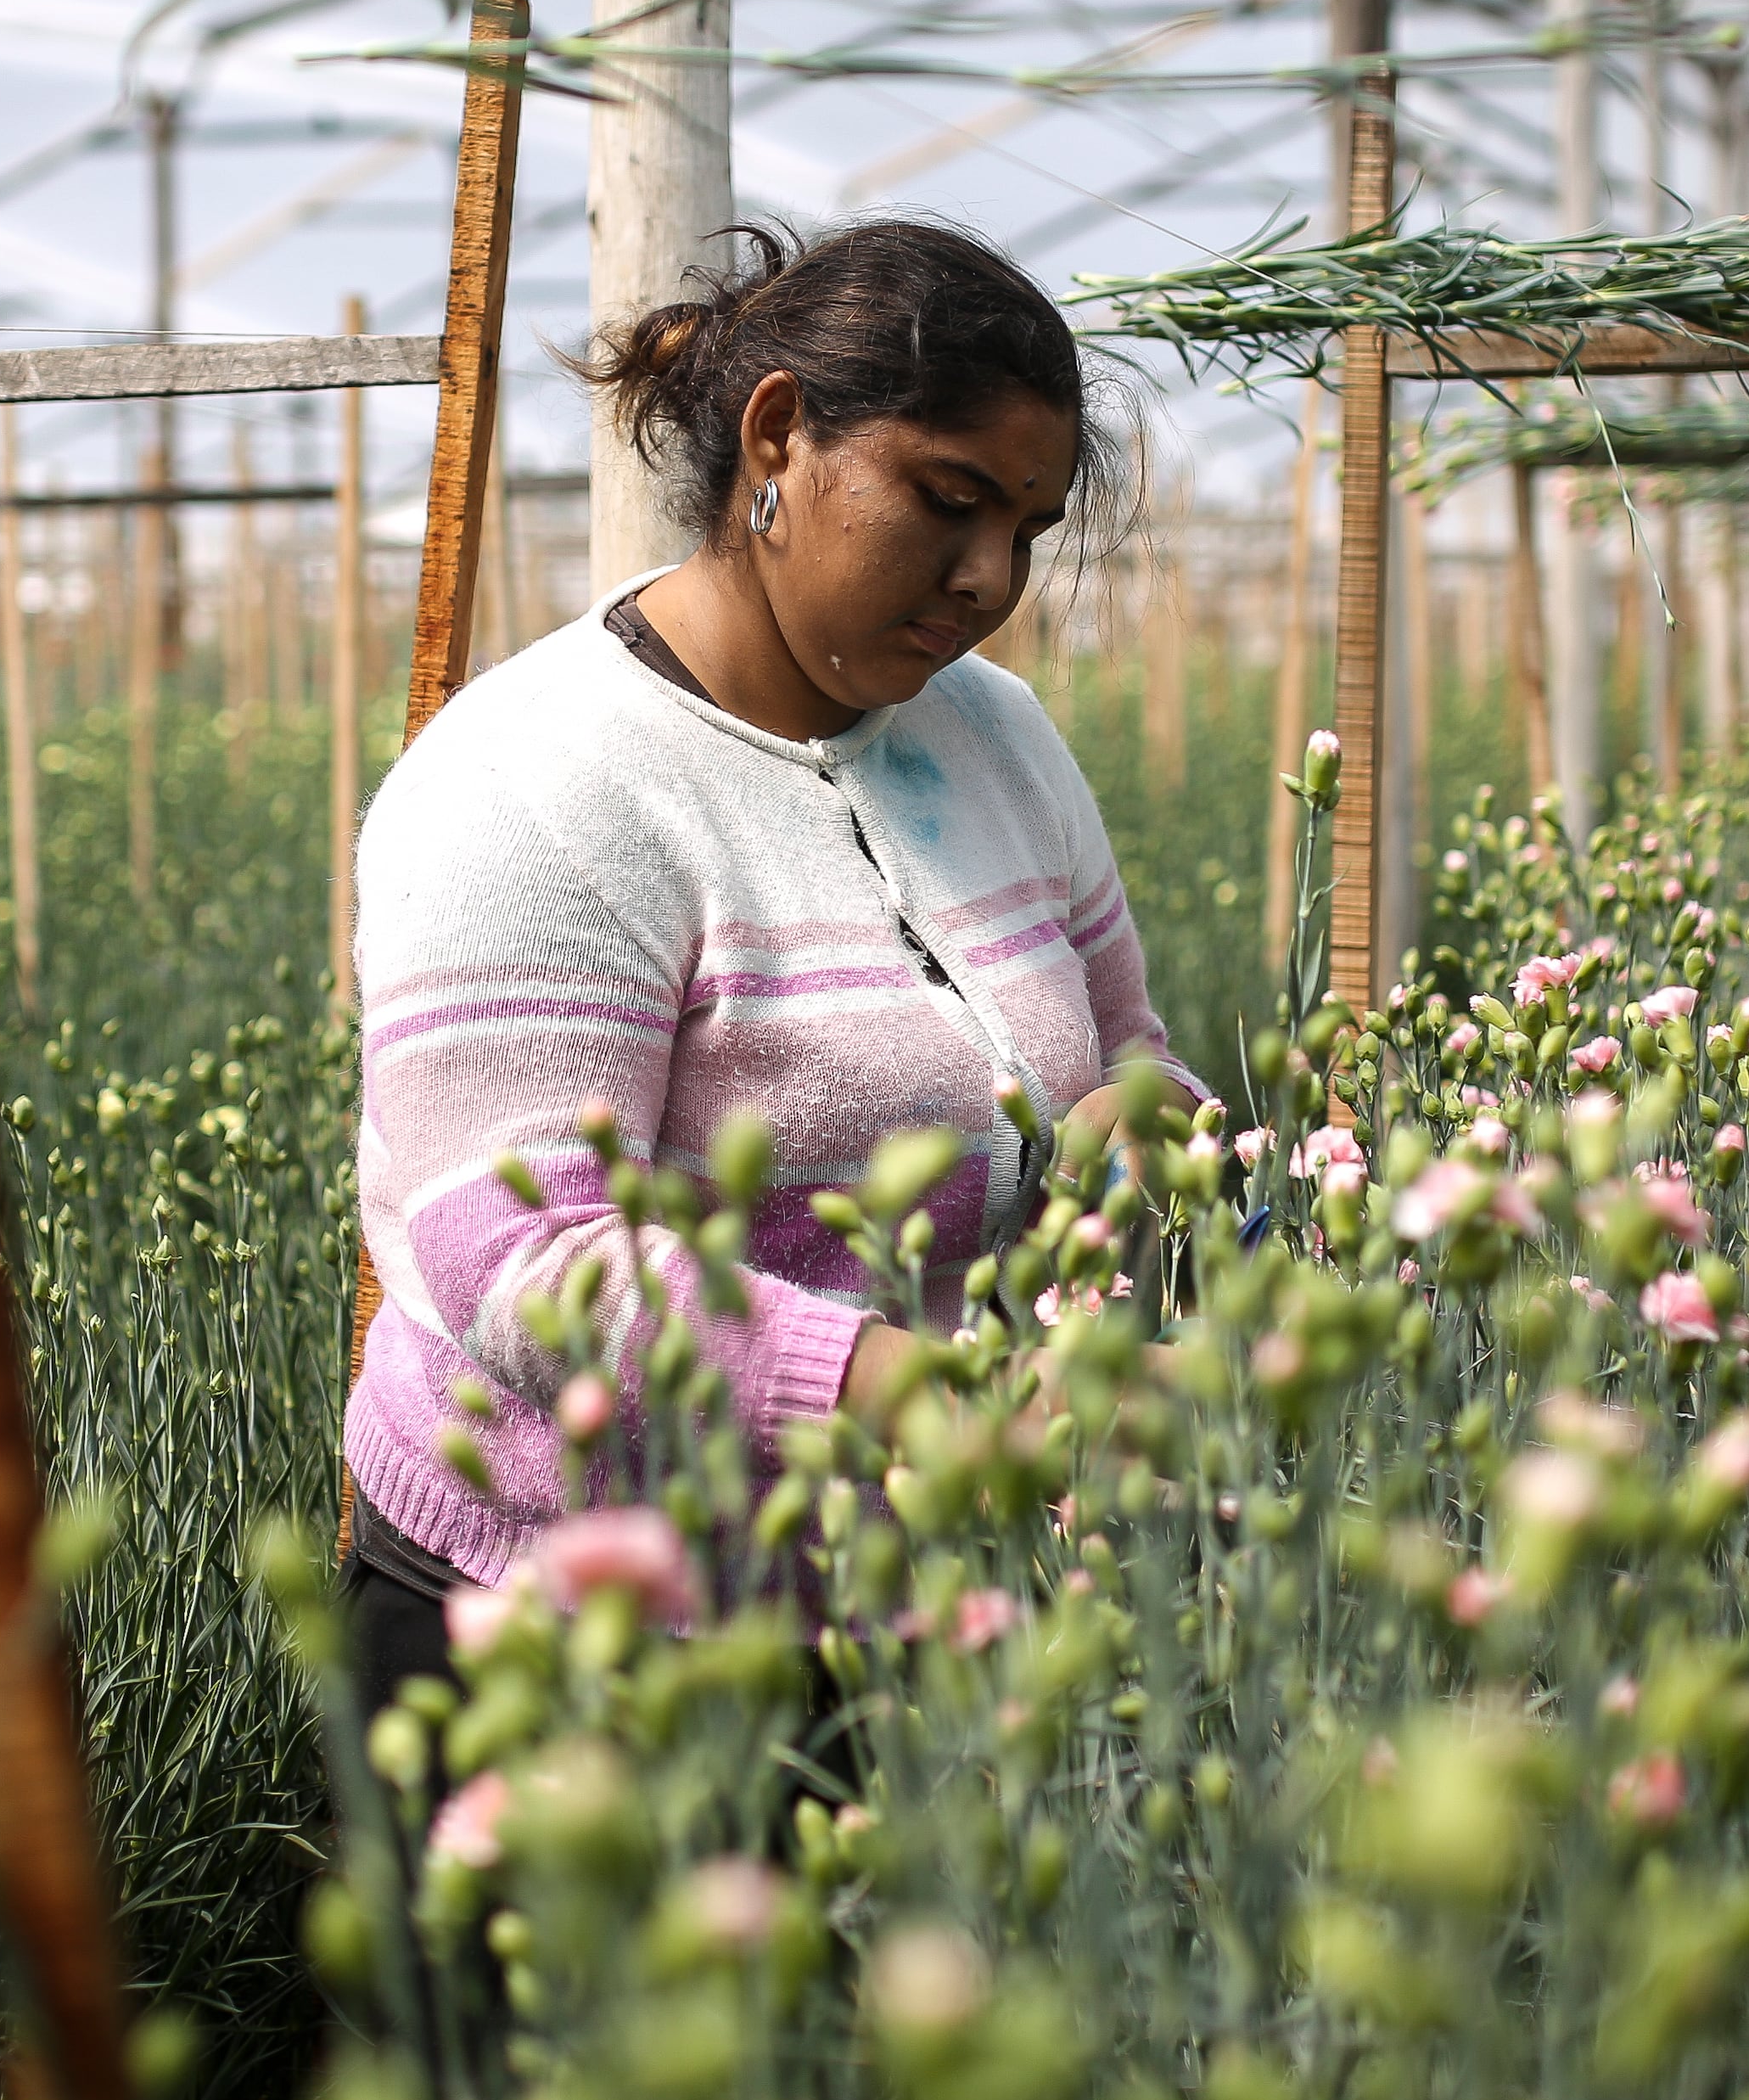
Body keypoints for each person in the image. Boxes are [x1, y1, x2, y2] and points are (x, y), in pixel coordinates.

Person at [339, 218, 1197, 1726]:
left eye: (1031, 527)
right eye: (948, 501)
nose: (991, 575)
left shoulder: (995, 738)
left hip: (933, 1590)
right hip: (575, 1639)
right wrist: (888, 1390)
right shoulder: (535, 779)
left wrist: (1146, 1130)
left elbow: (1129, 1044)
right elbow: (527, 1265)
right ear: (778, 435)